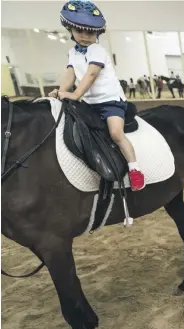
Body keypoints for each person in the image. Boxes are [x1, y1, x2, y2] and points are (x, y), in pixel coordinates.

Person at [49, 0, 145, 191]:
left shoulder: (97, 50)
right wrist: (60, 91)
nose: (84, 36)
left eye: (90, 32)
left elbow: (91, 74)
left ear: (97, 33)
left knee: (116, 133)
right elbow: (70, 73)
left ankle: (135, 169)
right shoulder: (72, 52)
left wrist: (75, 94)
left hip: (110, 102)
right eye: (79, 31)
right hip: (90, 103)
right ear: (71, 30)